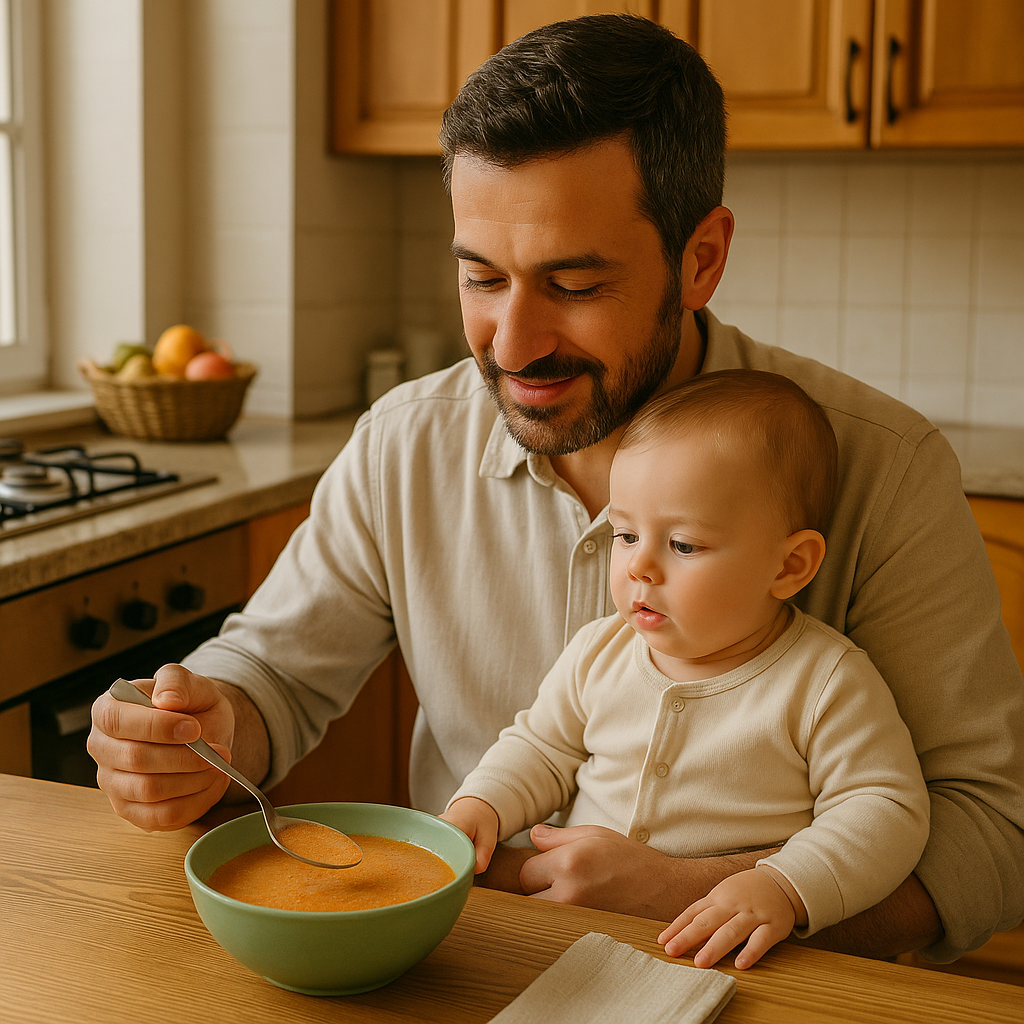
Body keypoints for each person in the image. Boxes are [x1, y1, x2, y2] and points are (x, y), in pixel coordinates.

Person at [87, 14, 1024, 964]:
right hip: (462, 965)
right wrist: (200, 735)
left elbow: (992, 835)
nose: (513, 343)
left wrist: (691, 893)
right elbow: (275, 676)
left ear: (701, 258)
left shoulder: (885, 466)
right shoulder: (404, 443)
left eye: (572, 284)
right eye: (481, 278)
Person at [442, 370, 931, 969]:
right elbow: (540, 750)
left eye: (683, 545)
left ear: (790, 565)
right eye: (625, 534)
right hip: (577, 947)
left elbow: (886, 808)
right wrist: (481, 805)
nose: (639, 567)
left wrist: (785, 885)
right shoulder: (601, 650)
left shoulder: (825, 681)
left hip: (734, 958)